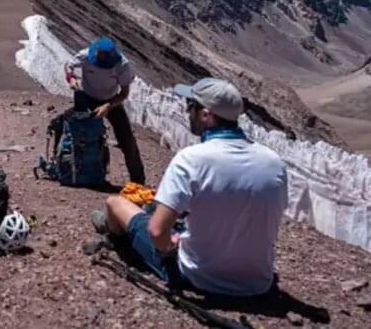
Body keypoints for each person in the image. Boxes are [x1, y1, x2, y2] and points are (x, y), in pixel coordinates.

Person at [92, 78, 289, 296]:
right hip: (258, 281)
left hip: (199, 276)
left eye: (191, 107)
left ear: (206, 115)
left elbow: (157, 232)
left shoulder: (191, 159)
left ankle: (115, 234)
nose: (187, 113)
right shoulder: (274, 162)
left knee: (116, 203)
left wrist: (169, 248)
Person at [64, 36, 145, 184]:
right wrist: (71, 78)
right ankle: (75, 168)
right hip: (87, 97)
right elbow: (68, 65)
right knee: (78, 132)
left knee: (127, 139)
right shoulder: (85, 55)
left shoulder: (122, 65)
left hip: (111, 101)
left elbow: (124, 93)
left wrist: (108, 105)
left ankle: (138, 181)